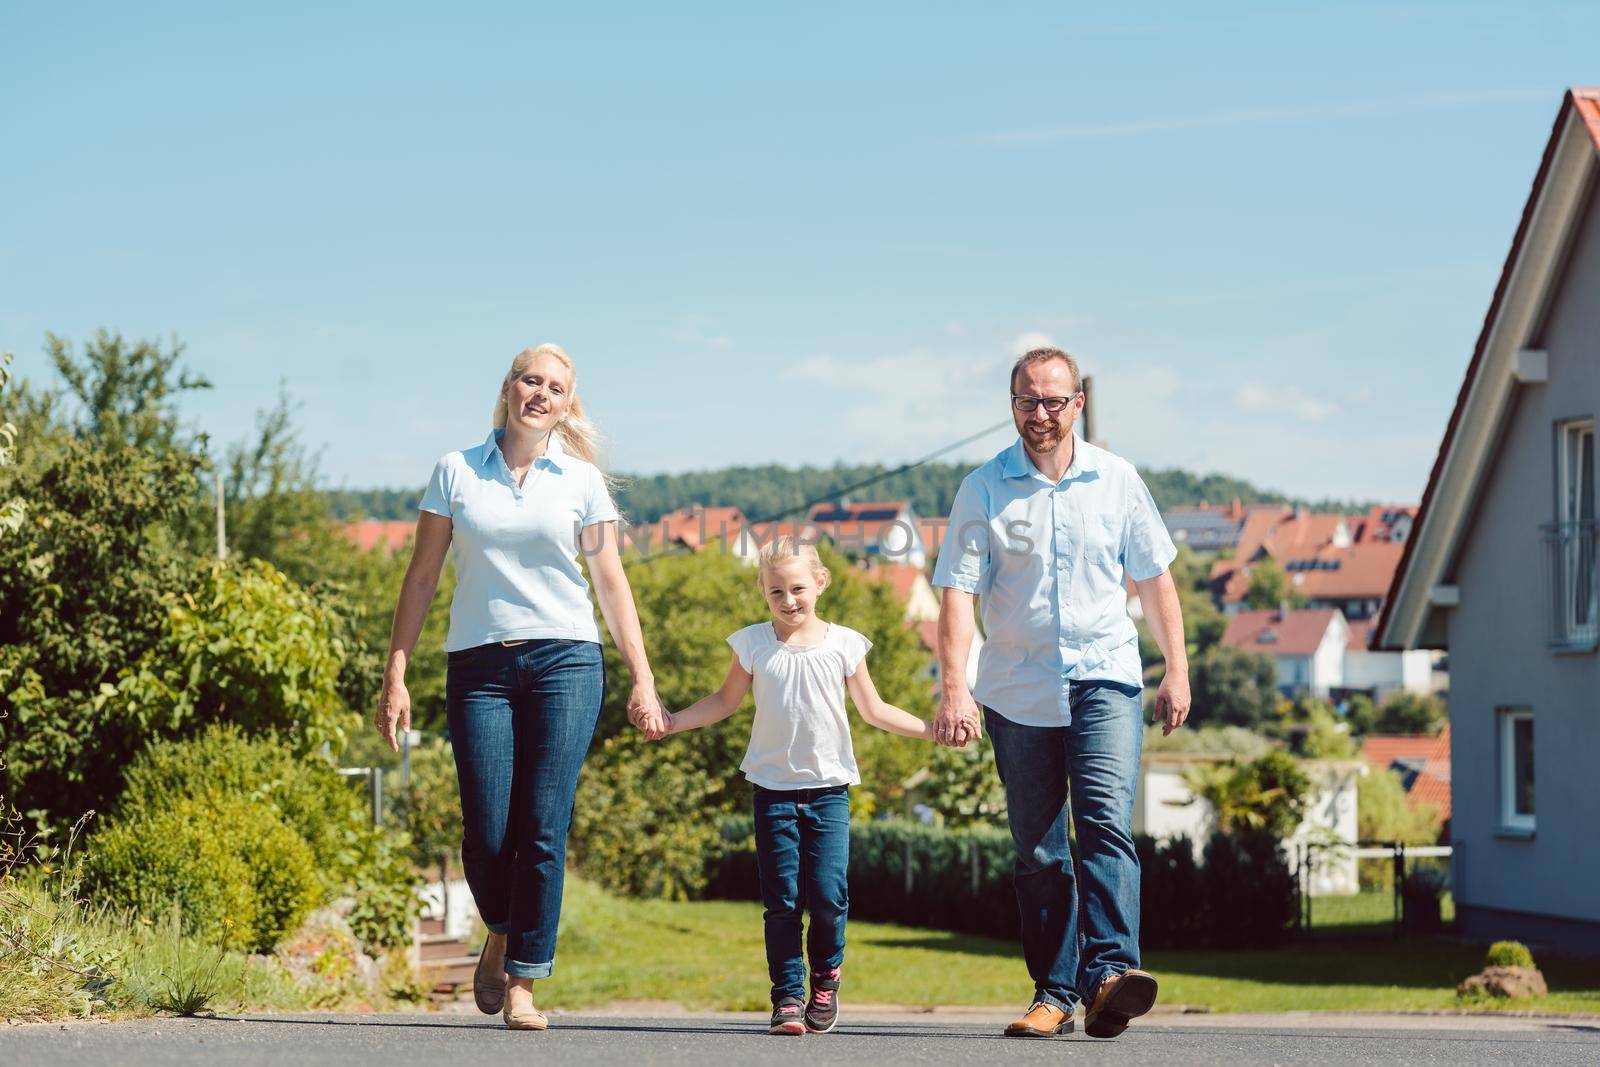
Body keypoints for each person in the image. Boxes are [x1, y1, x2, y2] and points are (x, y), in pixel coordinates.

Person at [373, 343, 667, 1031]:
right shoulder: (455, 472)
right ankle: (501, 929)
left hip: (568, 662)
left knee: (542, 825)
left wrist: (643, 678)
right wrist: (396, 671)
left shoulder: (581, 481)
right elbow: (420, 577)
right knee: (486, 828)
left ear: (567, 404)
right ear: (508, 387)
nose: (540, 393)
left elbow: (612, 584)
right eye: (530, 380)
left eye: (555, 387)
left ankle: (525, 980)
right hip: (478, 666)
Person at [931, 346, 1190, 1040]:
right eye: (1027, 401)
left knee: (1103, 819)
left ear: (1078, 403)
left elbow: (1155, 579)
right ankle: (1054, 992)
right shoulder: (983, 488)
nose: (1039, 413)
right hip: (1016, 690)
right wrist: (954, 688)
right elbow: (956, 593)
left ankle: (1109, 973)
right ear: (1012, 404)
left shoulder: (1117, 480)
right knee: (1040, 849)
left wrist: (1177, 669)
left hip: (1105, 674)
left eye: (1052, 400)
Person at [662, 536, 936, 1036]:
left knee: (829, 896)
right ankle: (787, 996)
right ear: (763, 593)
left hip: (829, 791)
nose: (789, 601)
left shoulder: (845, 644)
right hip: (771, 791)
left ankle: (825, 979)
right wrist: (672, 721)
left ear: (821, 584)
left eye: (798, 589)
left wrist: (930, 728)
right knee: (783, 900)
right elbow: (723, 702)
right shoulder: (752, 644)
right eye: (776, 592)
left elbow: (874, 711)